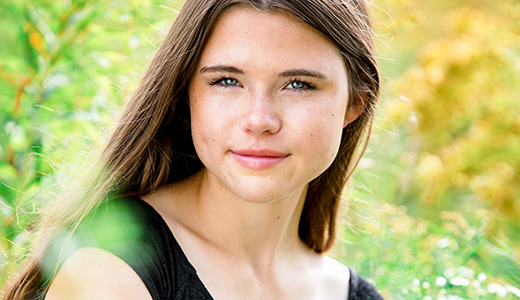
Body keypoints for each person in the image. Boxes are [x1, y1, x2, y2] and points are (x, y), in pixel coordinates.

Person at [2, 0, 383, 299]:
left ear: (355, 102)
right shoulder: (112, 267)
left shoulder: (355, 294)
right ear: (186, 92)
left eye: (298, 84)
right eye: (228, 81)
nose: (259, 119)